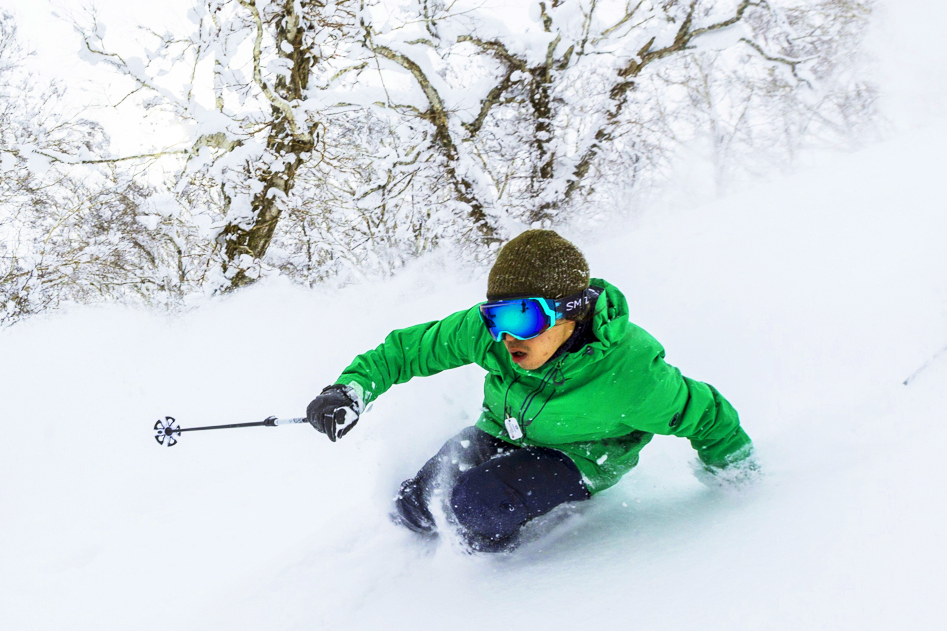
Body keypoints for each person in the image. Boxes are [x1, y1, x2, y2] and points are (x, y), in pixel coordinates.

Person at [302, 230, 755, 552]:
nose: (506, 336)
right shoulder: (494, 335)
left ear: (570, 313)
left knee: (474, 509)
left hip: (579, 455)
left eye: (523, 318)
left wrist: (737, 475)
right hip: (505, 428)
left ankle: (496, 564)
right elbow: (408, 351)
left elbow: (707, 414)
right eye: (496, 318)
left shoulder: (631, 374)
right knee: (415, 507)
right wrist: (349, 389)